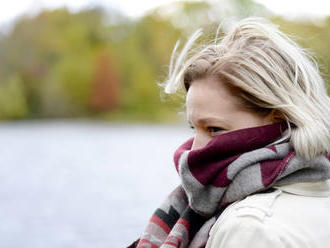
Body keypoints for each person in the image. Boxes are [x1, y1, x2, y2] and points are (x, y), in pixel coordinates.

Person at [128, 17, 330, 248]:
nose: (194, 150)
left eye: (214, 129)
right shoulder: (320, 196)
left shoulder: (248, 228)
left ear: (279, 117)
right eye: (194, 128)